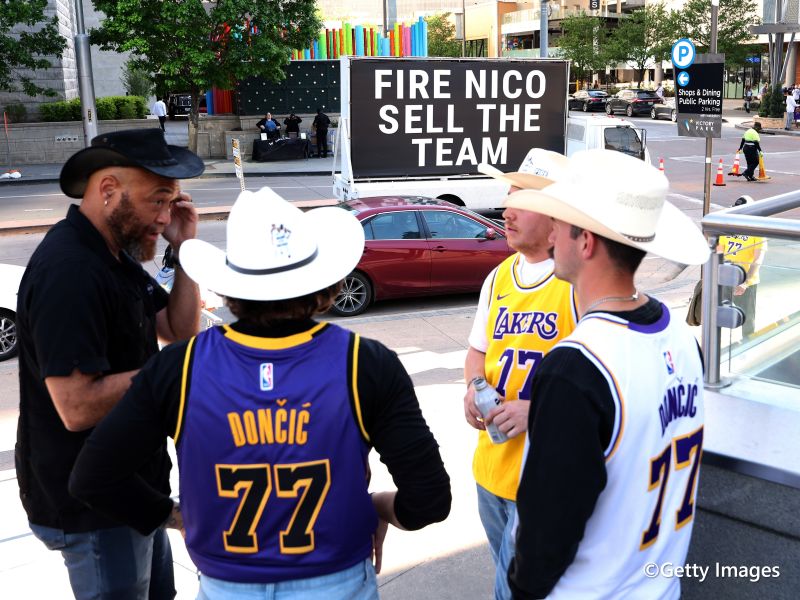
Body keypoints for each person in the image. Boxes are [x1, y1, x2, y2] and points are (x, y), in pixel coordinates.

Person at [69, 188, 452, 599]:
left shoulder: (181, 366)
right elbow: (429, 500)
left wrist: (177, 517)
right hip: (337, 581)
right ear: (325, 282)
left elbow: (93, 478)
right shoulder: (365, 363)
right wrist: (377, 507)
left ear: (231, 286)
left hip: (225, 585)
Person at [505, 149, 709, 599]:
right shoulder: (682, 338)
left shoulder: (577, 367)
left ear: (586, 242)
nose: (551, 235)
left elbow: (545, 537)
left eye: (560, 223)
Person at [15, 128, 205, 599]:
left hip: (135, 492)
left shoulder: (114, 254)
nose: (164, 217)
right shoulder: (71, 271)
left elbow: (179, 331)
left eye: (172, 202)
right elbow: (76, 406)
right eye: (157, 201)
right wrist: (175, 371)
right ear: (108, 190)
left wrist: (185, 250)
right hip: (94, 509)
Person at [465, 149, 578, 600]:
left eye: (522, 201)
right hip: (491, 470)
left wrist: (538, 411)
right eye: (508, 197)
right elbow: (478, 351)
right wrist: (473, 388)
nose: (506, 211)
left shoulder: (579, 284)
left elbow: (608, 386)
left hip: (543, 482)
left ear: (556, 218)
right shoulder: (498, 278)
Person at [718, 196, 766, 339]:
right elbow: (719, 254)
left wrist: (745, 283)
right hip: (726, 279)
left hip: (746, 283)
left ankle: (748, 344)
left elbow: (758, 260)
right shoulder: (728, 229)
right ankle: (715, 345)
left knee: (747, 319)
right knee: (718, 315)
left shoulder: (757, 231)